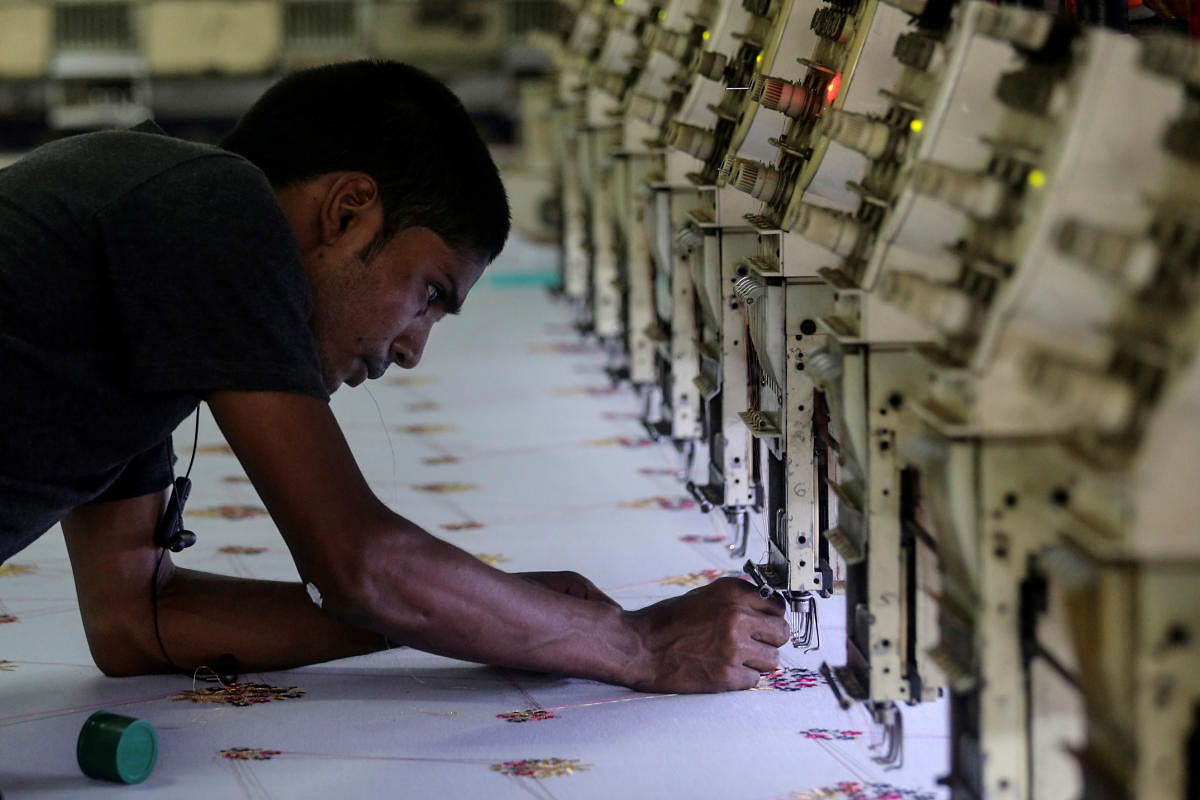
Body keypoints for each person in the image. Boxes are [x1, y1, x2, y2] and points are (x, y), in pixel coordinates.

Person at [0, 60, 788, 693]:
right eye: (430, 296)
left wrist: (483, 613)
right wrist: (635, 645)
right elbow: (357, 565)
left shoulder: (142, 272)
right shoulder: (212, 204)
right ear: (348, 211)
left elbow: (141, 622)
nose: (412, 350)